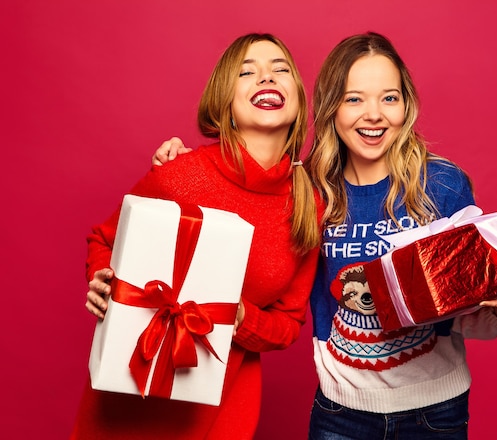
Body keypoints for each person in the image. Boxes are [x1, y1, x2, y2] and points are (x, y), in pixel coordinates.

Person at [153, 32, 497, 440]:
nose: (373, 114)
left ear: (406, 106)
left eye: (389, 98)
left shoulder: (441, 185)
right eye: (354, 98)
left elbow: (467, 314)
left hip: (435, 414)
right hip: (340, 415)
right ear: (331, 108)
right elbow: (242, 203)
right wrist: (187, 168)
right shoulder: (306, 190)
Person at [73, 33, 324, 440]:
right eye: (247, 72)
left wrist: (240, 318)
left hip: (223, 406)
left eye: (281, 70)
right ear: (224, 99)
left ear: (297, 97)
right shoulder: (181, 172)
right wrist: (102, 277)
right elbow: (104, 238)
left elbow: (288, 324)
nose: (267, 78)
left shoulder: (310, 204)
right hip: (130, 394)